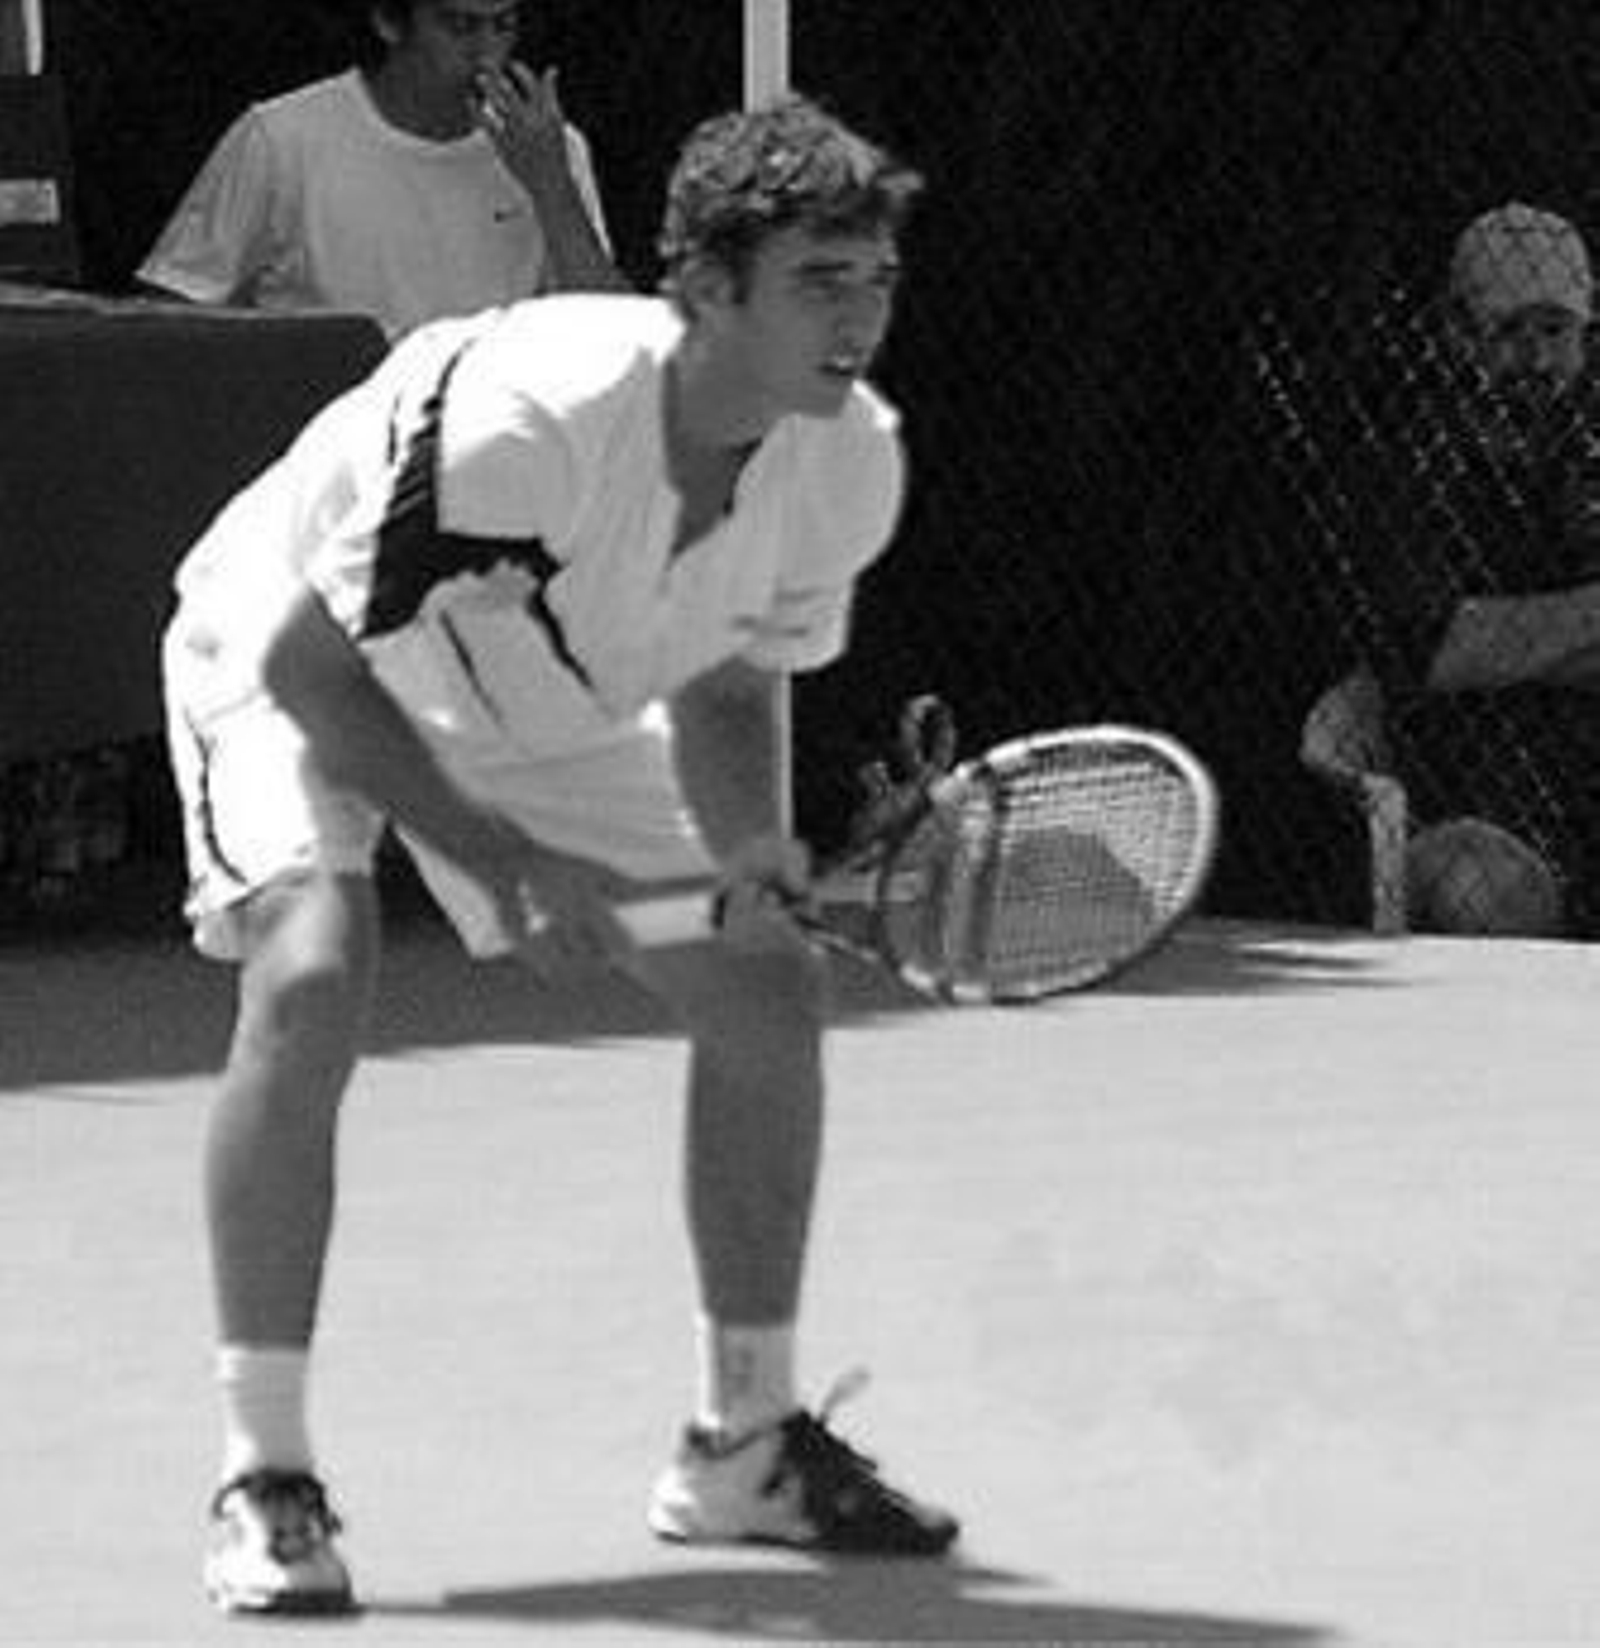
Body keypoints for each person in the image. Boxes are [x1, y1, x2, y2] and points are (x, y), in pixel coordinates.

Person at [162, 93, 958, 1616]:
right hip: (297, 642)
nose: (858, 320)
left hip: (547, 681)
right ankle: (264, 1473)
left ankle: (743, 1445)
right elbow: (318, 673)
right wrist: (511, 865)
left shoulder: (846, 461)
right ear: (707, 291)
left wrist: (747, 859)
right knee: (316, 967)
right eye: (818, 282)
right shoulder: (526, 421)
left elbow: (729, 680)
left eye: (875, 281)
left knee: (764, 985)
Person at [1351, 201, 1600, 936]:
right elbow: (1426, 645)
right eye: (1509, 332)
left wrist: (1509, 637)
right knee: (1477, 883)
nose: (1535, 358)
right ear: (1459, 333)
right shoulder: (1415, 454)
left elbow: (1468, 638)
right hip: (1478, 789)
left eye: (1554, 331)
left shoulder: (1588, 445)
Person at [137, 0, 626, 340]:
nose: (487, 54)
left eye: (503, 25)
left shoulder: (549, 148)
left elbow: (614, 333)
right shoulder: (283, 138)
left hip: (490, 451)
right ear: (390, 24)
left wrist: (551, 185)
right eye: (460, 26)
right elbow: (168, 318)